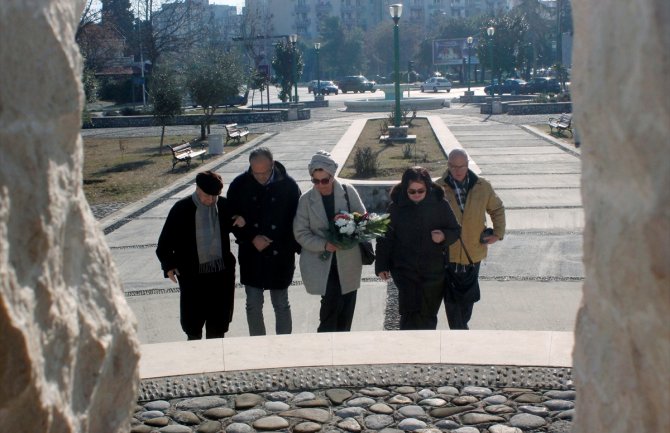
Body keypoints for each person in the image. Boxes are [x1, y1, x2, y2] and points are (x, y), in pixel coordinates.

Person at [155, 171, 244, 340]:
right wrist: (169, 266)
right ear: (197, 189)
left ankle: (217, 363)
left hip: (221, 276)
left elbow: (241, 232)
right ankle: (195, 361)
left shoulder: (224, 206)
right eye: (206, 196)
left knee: (218, 327)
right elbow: (164, 243)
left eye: (214, 197)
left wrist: (241, 222)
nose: (210, 200)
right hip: (192, 276)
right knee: (193, 327)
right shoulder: (181, 208)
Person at [227, 147, 301, 336]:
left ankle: (284, 345)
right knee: (253, 304)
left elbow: (298, 221)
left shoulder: (289, 186)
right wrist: (252, 237)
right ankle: (257, 346)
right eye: (255, 172)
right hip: (252, 254)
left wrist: (280, 243)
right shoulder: (239, 184)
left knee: (281, 303)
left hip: (280, 255)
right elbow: (231, 219)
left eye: (265, 172)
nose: (260, 177)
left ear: (273, 164)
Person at [375, 167, 460, 330]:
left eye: (420, 191)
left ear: (428, 187)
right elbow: (385, 238)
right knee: (408, 316)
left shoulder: (440, 204)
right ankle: (408, 353)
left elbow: (455, 230)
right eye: (411, 191)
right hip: (405, 272)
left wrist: (443, 236)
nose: (416, 195)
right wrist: (382, 266)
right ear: (404, 189)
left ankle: (428, 353)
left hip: (433, 273)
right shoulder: (396, 207)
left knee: (428, 317)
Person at [293, 151, 365, 332]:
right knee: (330, 310)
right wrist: (324, 244)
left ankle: (343, 349)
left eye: (325, 180)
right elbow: (300, 232)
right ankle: (325, 348)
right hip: (321, 263)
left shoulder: (348, 192)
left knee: (347, 307)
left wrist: (349, 232)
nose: (320, 185)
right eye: (315, 181)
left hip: (348, 261)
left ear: (333, 175)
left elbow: (363, 221)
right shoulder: (306, 200)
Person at [437, 149, 506, 330]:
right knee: (451, 299)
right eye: (453, 166)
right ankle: (460, 334)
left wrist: (497, 233)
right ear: (448, 166)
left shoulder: (483, 186)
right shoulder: (437, 188)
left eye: (462, 166)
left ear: (467, 164)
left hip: (473, 253)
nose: (458, 170)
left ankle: (461, 329)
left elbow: (497, 209)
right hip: (448, 255)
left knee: (467, 299)